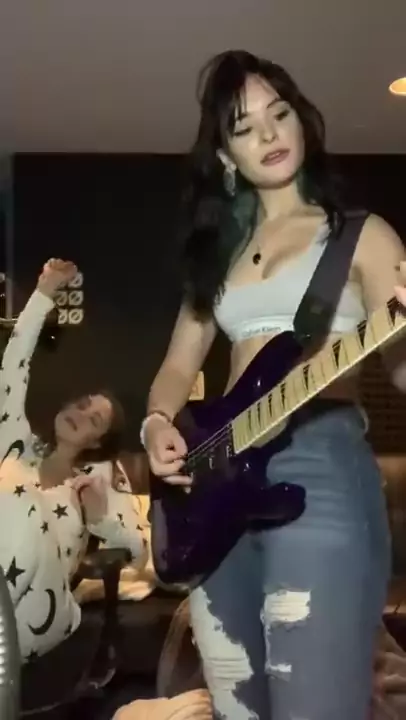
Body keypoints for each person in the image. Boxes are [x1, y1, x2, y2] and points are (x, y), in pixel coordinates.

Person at [141, 50, 406, 720]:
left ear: (302, 122)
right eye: (244, 126)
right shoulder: (218, 254)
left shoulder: (362, 237)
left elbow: (401, 368)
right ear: (225, 155)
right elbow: (178, 366)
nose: (268, 133)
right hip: (216, 482)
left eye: (279, 113)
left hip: (320, 466)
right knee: (237, 707)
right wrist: (157, 424)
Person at [0, 259, 148, 662]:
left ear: (97, 442)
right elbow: (12, 367)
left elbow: (139, 552)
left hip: (33, 616)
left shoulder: (95, 483)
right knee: (11, 477)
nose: (80, 414)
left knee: (23, 502)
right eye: (81, 404)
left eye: (93, 419)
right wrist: (44, 292)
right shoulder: (15, 446)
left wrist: (101, 519)